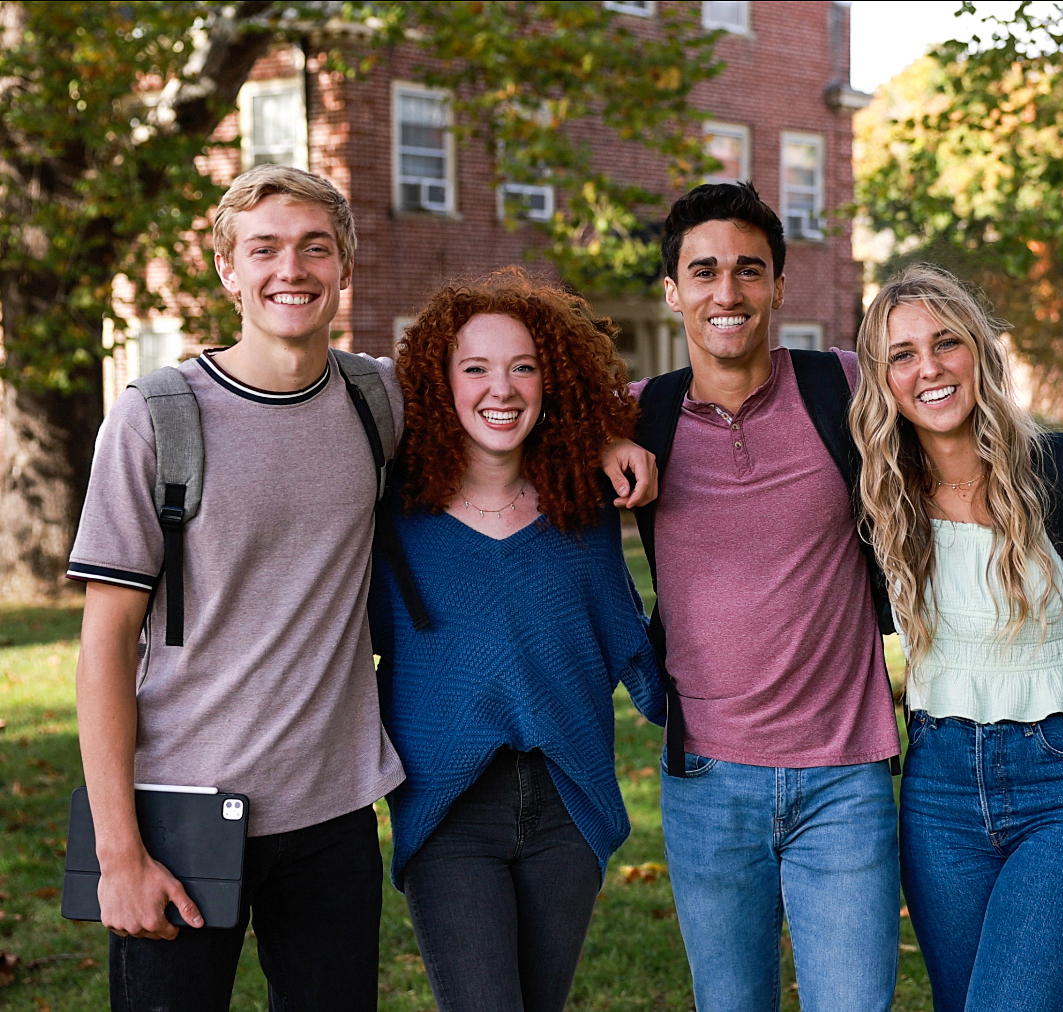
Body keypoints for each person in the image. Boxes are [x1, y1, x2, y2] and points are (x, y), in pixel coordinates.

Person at [67, 164, 655, 1012]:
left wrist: (602, 439)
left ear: (345, 266)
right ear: (227, 268)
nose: (291, 269)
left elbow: (506, 399)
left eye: (315, 247)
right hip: (183, 809)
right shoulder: (156, 418)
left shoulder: (375, 400)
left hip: (333, 813)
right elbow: (104, 645)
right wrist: (118, 851)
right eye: (264, 249)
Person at [630, 182, 901, 1012]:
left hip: (845, 776)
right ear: (672, 290)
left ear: (779, 286)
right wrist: (603, 437)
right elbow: (511, 417)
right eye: (704, 271)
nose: (728, 291)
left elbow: (962, 424)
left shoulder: (843, 387)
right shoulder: (642, 415)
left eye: (749, 270)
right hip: (706, 780)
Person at [850, 264, 1063, 1012]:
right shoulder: (882, 502)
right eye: (903, 355)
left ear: (980, 350)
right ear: (883, 382)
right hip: (939, 786)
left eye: (946, 342)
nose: (929, 368)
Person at [369, 269, 666, 1012]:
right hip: (448, 808)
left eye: (523, 367)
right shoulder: (392, 513)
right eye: (475, 368)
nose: (500, 389)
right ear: (440, 383)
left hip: (566, 802)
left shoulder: (583, 509)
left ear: (551, 381)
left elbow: (631, 647)